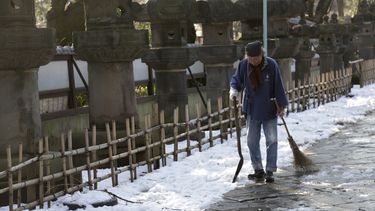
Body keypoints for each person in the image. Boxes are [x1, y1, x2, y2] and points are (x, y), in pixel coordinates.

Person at [229, 41, 288, 183]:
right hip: (252, 108)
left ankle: (270, 170)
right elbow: (236, 79)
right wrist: (234, 90)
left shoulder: (271, 65)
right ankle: (258, 169)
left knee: (272, 140)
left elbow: (278, 85)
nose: (253, 61)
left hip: (269, 108)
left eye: (255, 58)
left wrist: (282, 105)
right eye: (250, 58)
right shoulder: (244, 65)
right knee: (251, 141)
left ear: (262, 55)